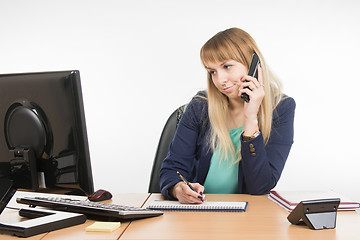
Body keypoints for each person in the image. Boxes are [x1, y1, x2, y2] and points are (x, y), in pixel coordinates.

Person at [159, 27, 296, 204]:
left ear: (253, 65)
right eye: (212, 71)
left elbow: (260, 187)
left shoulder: (281, 108)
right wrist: (178, 188)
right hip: (197, 213)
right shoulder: (200, 106)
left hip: (247, 216)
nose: (220, 80)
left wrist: (251, 118)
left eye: (227, 66)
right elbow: (171, 169)